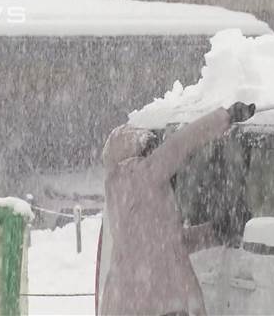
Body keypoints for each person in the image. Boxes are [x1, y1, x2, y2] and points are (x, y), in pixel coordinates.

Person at [100, 102, 256, 316]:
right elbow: (182, 143)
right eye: (149, 148)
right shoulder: (141, 174)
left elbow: (169, 243)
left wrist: (214, 232)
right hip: (157, 304)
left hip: (129, 303)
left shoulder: (121, 190)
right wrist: (226, 116)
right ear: (134, 152)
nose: (154, 151)